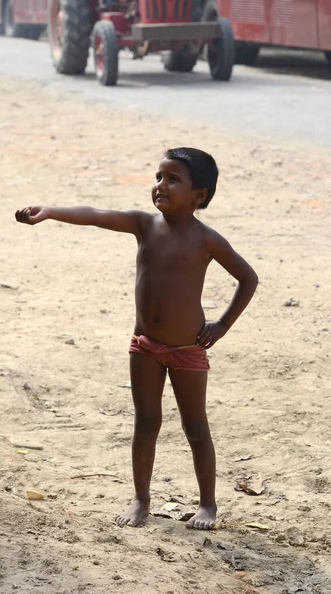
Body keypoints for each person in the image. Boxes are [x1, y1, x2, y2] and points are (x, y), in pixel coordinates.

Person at [15, 147, 258, 530]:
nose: (161, 186)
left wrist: (223, 324)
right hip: (144, 346)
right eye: (159, 177)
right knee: (146, 423)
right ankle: (141, 499)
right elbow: (95, 216)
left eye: (173, 179)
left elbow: (248, 278)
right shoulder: (145, 224)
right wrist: (49, 211)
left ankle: (207, 505)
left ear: (200, 196)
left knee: (196, 427)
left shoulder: (207, 240)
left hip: (187, 349)